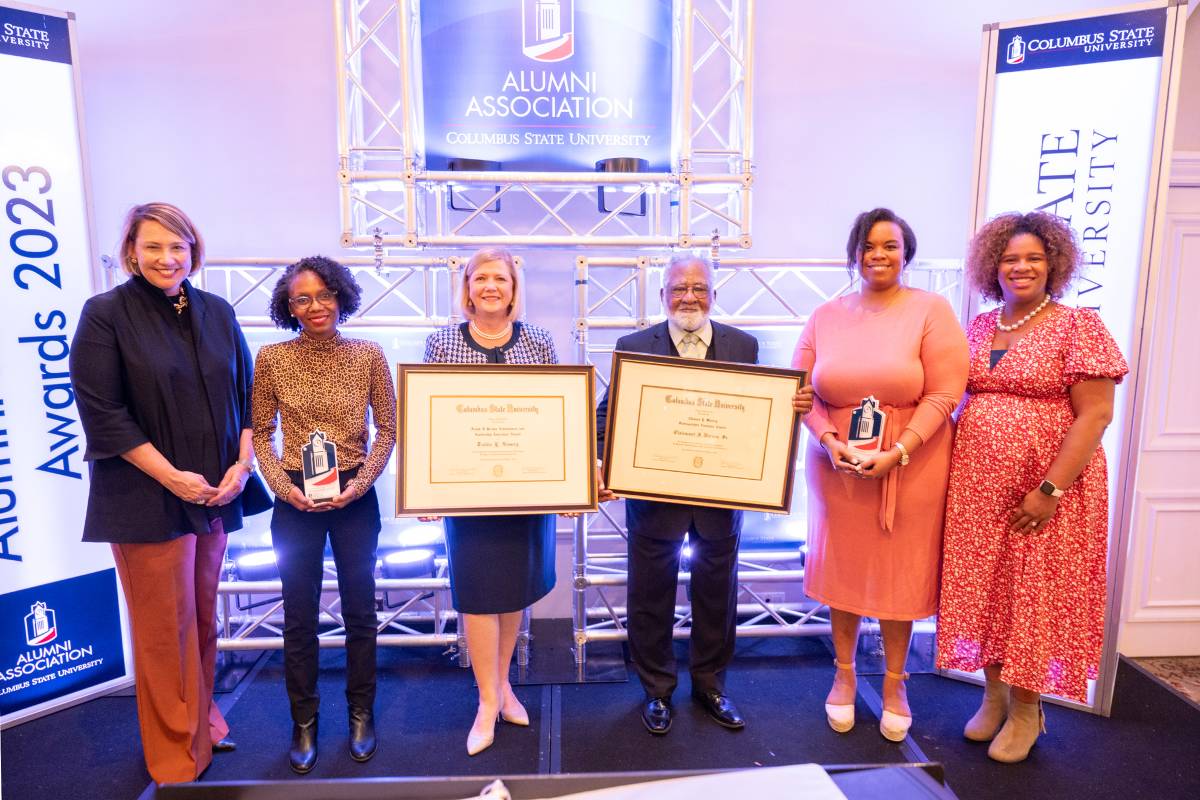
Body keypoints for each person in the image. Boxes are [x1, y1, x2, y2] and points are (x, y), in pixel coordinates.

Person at [70, 202, 270, 784]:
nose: (166, 258)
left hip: (215, 491)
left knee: (202, 615)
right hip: (145, 496)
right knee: (164, 629)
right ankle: (174, 757)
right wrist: (173, 476)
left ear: (193, 251)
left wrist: (242, 462)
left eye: (177, 246)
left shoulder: (216, 310)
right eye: (153, 246)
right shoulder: (105, 314)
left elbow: (247, 389)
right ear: (131, 251)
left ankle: (202, 718)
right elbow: (102, 413)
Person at [595, 253, 814, 736]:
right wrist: (602, 463)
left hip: (720, 500)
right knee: (649, 597)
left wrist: (792, 405)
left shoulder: (743, 344)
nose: (688, 297)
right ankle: (656, 691)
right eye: (678, 289)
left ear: (713, 294)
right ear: (662, 296)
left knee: (717, 596)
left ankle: (712, 686)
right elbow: (605, 416)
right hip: (654, 502)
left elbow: (758, 416)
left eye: (698, 288)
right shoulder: (634, 344)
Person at [936, 212, 1127, 763]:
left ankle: (1027, 707)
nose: (1020, 267)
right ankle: (995, 694)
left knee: (1032, 591)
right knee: (990, 588)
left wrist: (1049, 490)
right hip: (976, 489)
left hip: (1047, 490)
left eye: (1033, 258)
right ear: (991, 265)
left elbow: (1095, 416)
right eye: (1009, 258)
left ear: (1054, 265)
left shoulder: (1077, 326)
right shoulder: (977, 326)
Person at [792, 208, 968, 742]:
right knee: (843, 576)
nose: (879, 254)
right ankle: (843, 675)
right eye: (869, 245)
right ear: (855, 253)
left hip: (913, 469)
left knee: (899, 574)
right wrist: (827, 439)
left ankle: (896, 683)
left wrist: (900, 451)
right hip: (836, 466)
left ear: (906, 252)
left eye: (890, 245)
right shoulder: (824, 315)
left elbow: (945, 394)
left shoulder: (932, 310)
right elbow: (801, 393)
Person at [252, 256, 396, 773]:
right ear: (288, 307)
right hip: (295, 499)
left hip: (355, 495)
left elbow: (389, 431)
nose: (315, 307)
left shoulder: (368, 355)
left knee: (361, 611)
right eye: (302, 299)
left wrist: (359, 486)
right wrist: (280, 488)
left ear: (341, 295)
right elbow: (260, 433)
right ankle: (304, 720)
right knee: (299, 615)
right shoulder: (271, 358)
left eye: (324, 295)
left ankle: (361, 712)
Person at [422, 247, 560, 756]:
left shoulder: (540, 341)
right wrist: (427, 488)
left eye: (499, 278)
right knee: (479, 594)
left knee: (513, 592)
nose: (490, 287)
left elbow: (555, 417)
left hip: (526, 492)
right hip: (467, 493)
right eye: (480, 278)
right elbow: (428, 421)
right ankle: (485, 701)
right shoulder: (441, 343)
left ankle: (503, 687)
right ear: (467, 287)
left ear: (513, 287)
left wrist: (568, 481)